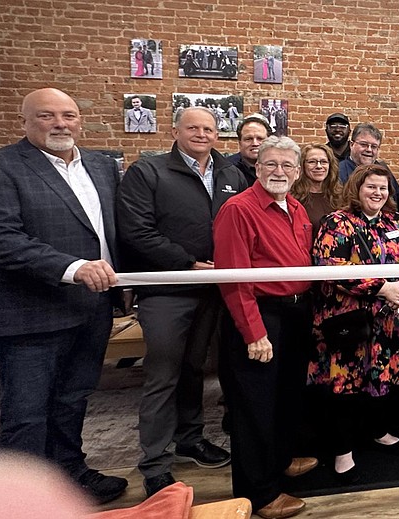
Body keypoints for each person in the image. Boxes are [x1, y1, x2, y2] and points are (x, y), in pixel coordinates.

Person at [0, 87, 128, 504]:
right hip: (33, 311)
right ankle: (20, 501)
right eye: (46, 116)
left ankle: (68, 475)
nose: (60, 124)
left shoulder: (103, 167)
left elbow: (112, 232)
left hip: (93, 309)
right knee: (26, 414)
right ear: (25, 121)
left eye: (68, 115)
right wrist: (72, 269)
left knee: (73, 400)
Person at [117, 106, 240, 497]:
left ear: (218, 134)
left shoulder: (230, 173)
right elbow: (136, 230)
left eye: (209, 128)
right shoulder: (148, 171)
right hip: (167, 289)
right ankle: (154, 462)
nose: (201, 134)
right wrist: (187, 262)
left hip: (213, 288)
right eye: (193, 127)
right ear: (175, 130)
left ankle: (190, 440)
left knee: (194, 369)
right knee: (163, 374)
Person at [213, 136, 318, 519]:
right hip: (261, 315)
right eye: (270, 164)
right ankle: (259, 494)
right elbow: (233, 277)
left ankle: (279, 460)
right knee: (254, 406)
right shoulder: (237, 210)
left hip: (295, 314)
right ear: (257, 168)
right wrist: (253, 332)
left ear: (296, 172)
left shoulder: (296, 208)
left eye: (287, 166)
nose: (279, 172)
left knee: (286, 395)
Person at [309, 164, 399, 483]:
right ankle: (342, 450)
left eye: (383, 188)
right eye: (370, 187)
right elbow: (331, 267)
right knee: (346, 385)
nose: (377, 193)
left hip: (394, 319)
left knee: (385, 378)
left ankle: (378, 430)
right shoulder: (337, 222)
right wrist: (381, 288)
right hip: (349, 320)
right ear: (357, 188)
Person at [337, 122, 399, 201]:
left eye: (374, 146)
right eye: (364, 144)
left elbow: (395, 200)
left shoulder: (384, 171)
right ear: (351, 144)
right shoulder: (338, 172)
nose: (369, 150)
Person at [291, 143, 341, 225]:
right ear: (302, 165)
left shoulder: (340, 196)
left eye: (323, 161)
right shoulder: (293, 198)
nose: (319, 166)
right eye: (312, 162)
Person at [229, 113, 271, 185]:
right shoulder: (227, 168)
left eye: (260, 139)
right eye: (248, 139)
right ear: (240, 143)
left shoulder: (279, 168)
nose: (255, 143)